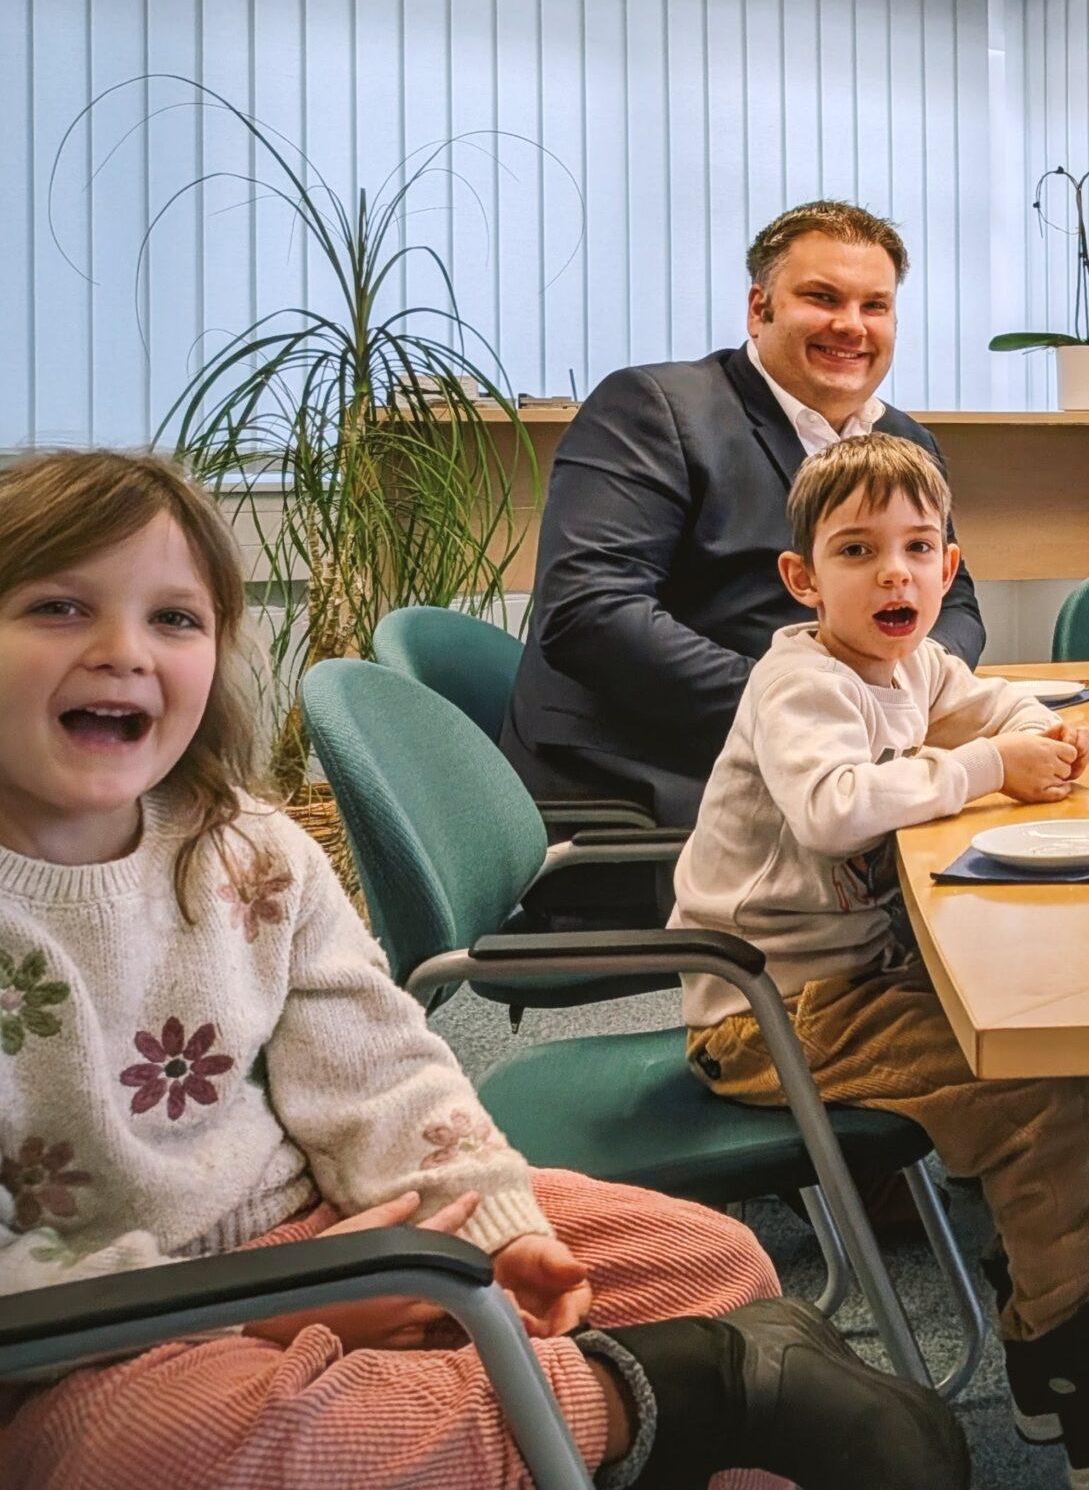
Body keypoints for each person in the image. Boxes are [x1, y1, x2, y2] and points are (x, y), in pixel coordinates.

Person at [0, 450, 965, 1490]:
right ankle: (678, 1393)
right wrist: (282, 1300)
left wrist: (499, 1231)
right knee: (176, 1455)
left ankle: (623, 1403)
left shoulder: (252, 849)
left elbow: (382, 1076)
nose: (122, 651)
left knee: (713, 1265)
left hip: (332, 1228)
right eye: (59, 607)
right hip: (93, 1339)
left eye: (174, 619)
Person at [674, 435, 1089, 1488]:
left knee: (1041, 1030)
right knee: (1032, 1078)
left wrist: (1044, 738)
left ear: (950, 566)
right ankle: (1079, 1368)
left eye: (918, 546)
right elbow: (834, 806)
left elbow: (1003, 704)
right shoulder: (801, 680)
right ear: (805, 579)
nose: (893, 571)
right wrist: (990, 766)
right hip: (769, 1011)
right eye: (858, 550)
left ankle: (1050, 1344)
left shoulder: (910, 664)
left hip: (846, 984)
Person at [502, 200, 984, 834]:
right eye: (823, 298)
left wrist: (904, 693)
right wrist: (804, 706)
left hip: (837, 773)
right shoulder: (656, 410)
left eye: (875, 305)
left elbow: (957, 605)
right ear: (760, 309)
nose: (851, 326)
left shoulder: (904, 441)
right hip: (654, 791)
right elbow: (589, 612)